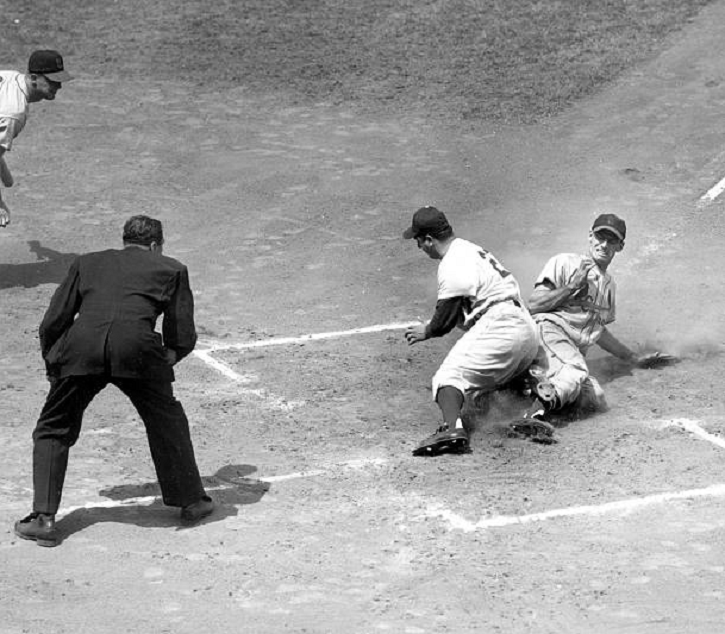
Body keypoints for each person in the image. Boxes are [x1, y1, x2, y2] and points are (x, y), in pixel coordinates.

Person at [14, 215, 214, 547]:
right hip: (137, 349)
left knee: (54, 427)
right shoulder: (171, 268)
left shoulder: (87, 262)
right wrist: (172, 355)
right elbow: (180, 329)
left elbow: (55, 319)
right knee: (167, 421)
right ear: (154, 245)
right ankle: (191, 501)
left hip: (81, 348)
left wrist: (54, 359)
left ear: (124, 240)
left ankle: (44, 519)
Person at [403, 206, 540, 456]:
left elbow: (445, 319)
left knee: (448, 376)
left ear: (429, 240)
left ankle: (452, 429)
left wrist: (427, 331)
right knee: (481, 390)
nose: (419, 247)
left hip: (502, 326)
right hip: (527, 331)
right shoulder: (468, 249)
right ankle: (528, 401)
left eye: (418, 240)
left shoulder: (452, 263)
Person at [515, 213, 645, 428]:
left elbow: (598, 330)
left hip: (566, 352)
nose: (603, 245)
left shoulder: (610, 287)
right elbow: (535, 306)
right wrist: (572, 287)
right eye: (599, 237)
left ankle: (526, 389)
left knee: (596, 397)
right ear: (590, 236)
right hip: (549, 331)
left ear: (620, 246)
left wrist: (630, 356)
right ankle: (533, 415)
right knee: (575, 371)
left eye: (611, 240)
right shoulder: (565, 262)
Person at [0, 50, 73, 228]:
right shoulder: (13, 113)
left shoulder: (10, 77)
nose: (59, 87)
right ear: (33, 78)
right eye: (53, 81)